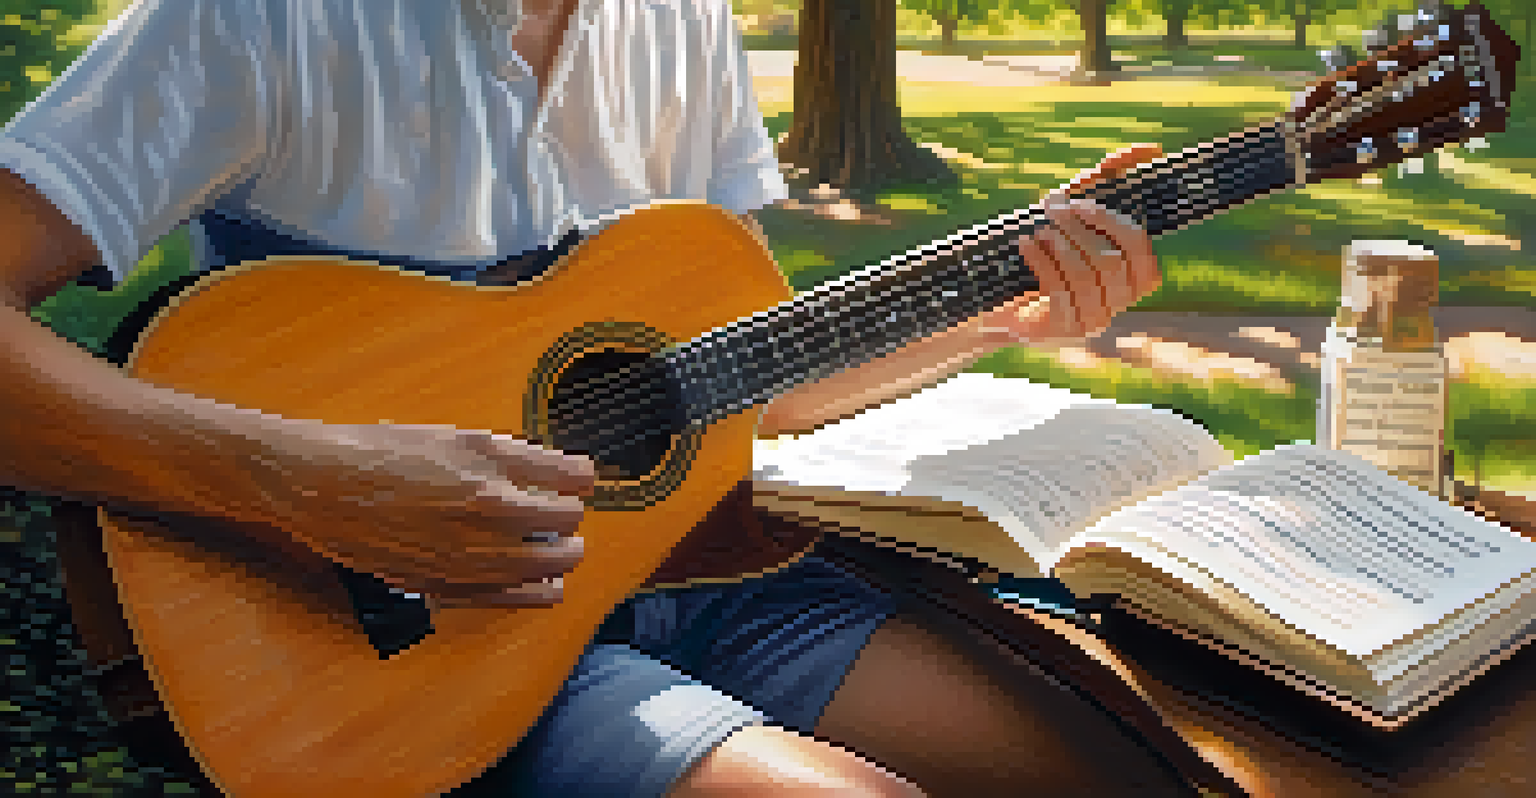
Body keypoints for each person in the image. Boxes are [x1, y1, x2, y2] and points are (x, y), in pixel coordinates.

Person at [0, 0, 1182, 795]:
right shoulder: (257, 22)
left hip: (712, 576)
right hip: (439, 646)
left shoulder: (676, 20)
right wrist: (310, 484)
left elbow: (734, 380)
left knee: (1138, 767)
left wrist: (995, 308)